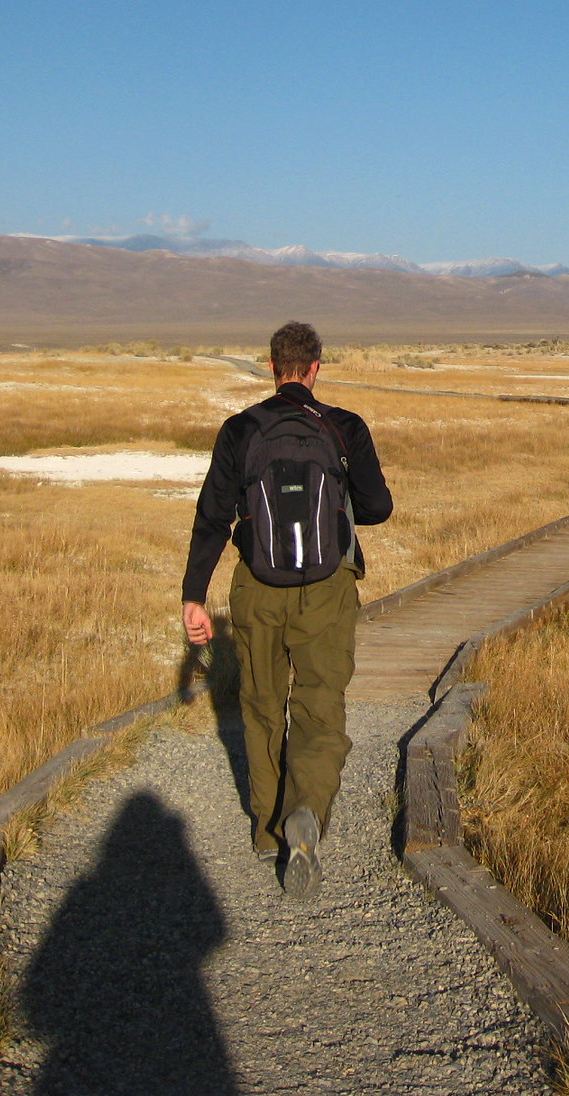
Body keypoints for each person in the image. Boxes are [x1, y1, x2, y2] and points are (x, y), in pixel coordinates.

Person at [181, 321, 393, 898]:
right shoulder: (345, 427)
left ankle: (267, 829)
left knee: (261, 704)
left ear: (272, 366)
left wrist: (194, 596)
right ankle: (307, 812)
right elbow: (378, 507)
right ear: (316, 367)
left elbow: (211, 517)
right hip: (328, 587)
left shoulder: (240, 428)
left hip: (257, 586)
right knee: (320, 704)